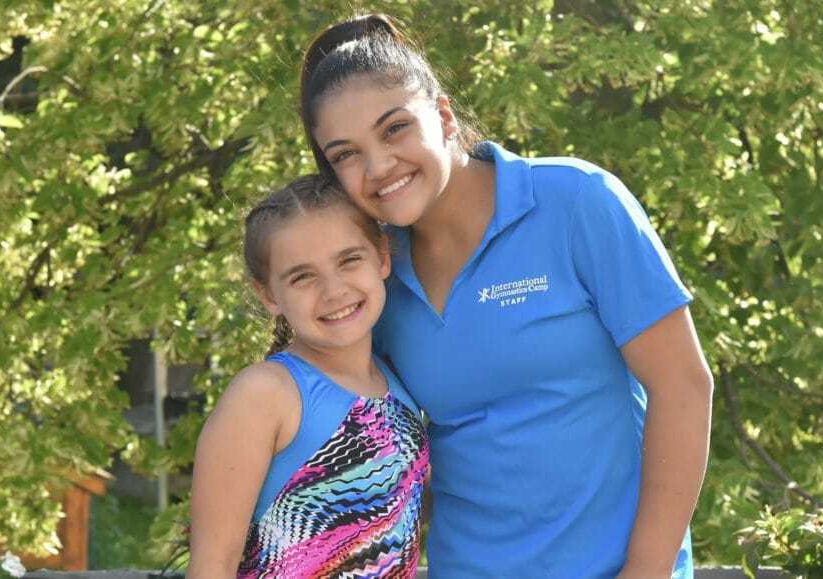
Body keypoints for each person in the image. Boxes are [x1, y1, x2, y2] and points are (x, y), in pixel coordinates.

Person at [298, 14, 714, 579]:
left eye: (394, 128)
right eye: (345, 154)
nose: (378, 166)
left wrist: (645, 571)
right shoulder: (373, 272)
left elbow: (685, 388)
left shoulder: (575, 202)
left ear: (443, 115)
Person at [186, 174, 430, 578]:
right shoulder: (265, 394)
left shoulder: (398, 384)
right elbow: (212, 565)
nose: (333, 291)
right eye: (303, 276)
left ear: (382, 257)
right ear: (269, 295)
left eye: (349, 259)